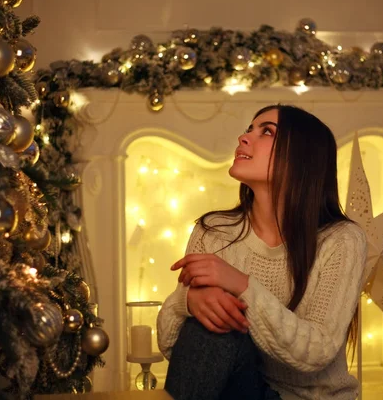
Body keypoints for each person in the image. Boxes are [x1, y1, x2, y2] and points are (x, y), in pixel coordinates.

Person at [156, 105, 368, 400]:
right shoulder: (213, 231)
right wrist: (187, 303)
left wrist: (241, 285)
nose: (244, 138)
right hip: (243, 389)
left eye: (266, 131)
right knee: (209, 330)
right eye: (249, 129)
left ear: (301, 158)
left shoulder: (341, 240)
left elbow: (316, 352)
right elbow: (175, 349)